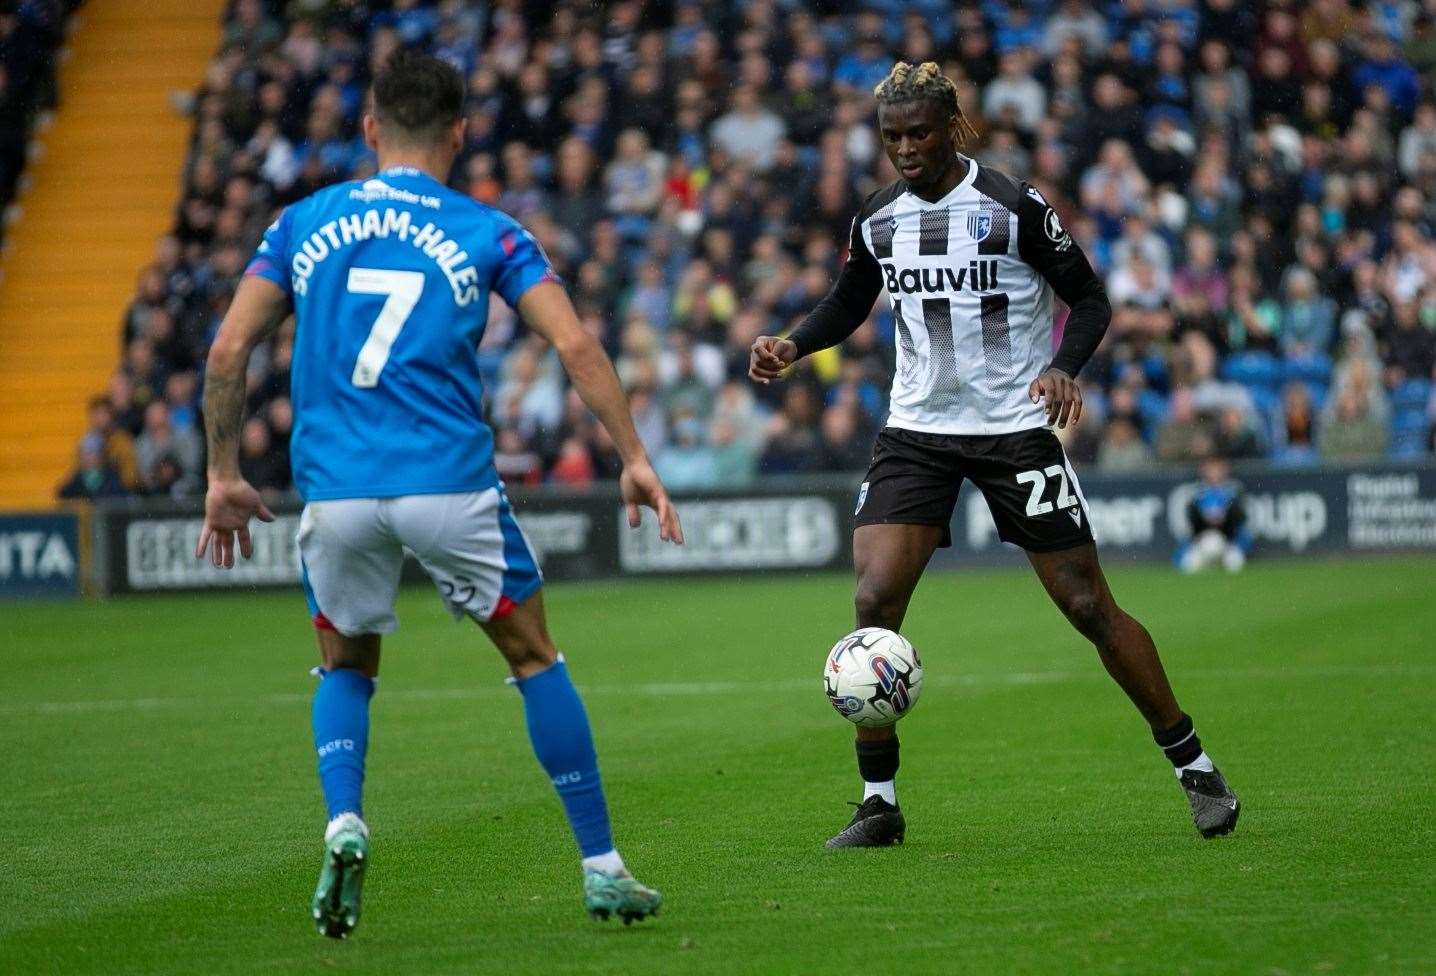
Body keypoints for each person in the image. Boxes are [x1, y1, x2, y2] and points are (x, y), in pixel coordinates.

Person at [195, 53, 682, 939]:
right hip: (449, 485)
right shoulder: (488, 230)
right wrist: (634, 454)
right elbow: (573, 346)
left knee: (346, 666)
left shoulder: (299, 223)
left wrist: (224, 473)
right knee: (535, 659)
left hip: (336, 494)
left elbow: (229, 351)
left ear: (372, 128)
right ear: (460, 133)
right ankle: (603, 867)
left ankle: (345, 819)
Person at [748, 62, 1239, 849]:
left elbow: (1092, 297)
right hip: (916, 432)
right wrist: (794, 343)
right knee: (874, 604)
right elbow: (851, 298)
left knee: (1088, 606)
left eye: (918, 133)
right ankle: (879, 802)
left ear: (953, 128)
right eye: (891, 137)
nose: (904, 149)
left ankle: (1196, 768)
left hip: (1014, 429)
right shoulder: (877, 218)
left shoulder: (1013, 205)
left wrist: (1062, 367)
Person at [1175, 457, 1251, 573]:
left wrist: (1224, 518)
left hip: (1228, 542)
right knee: (1188, 566)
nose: (1215, 472)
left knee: (1235, 565)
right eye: (1211, 468)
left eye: (1218, 468)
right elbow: (1192, 519)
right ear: (1204, 470)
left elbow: (1241, 518)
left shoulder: (1234, 490)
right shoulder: (1197, 492)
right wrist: (1206, 519)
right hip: (1203, 540)